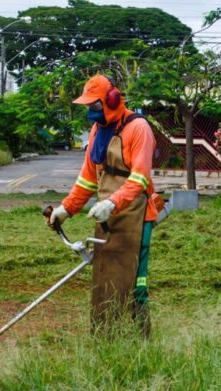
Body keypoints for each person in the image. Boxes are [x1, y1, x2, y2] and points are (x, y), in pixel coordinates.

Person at [47, 74, 161, 338]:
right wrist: (67, 209)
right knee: (105, 276)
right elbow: (88, 177)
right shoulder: (98, 130)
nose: (91, 112)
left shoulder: (138, 128)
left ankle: (141, 341)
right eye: (88, 107)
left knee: (134, 280)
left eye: (95, 106)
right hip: (107, 217)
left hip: (136, 214)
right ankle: (106, 337)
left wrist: (113, 202)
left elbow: (141, 177)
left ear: (112, 99)